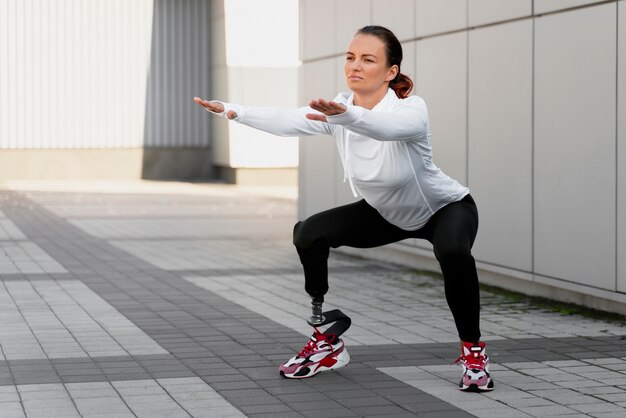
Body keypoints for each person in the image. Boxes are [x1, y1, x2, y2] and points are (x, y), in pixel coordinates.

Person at [194, 25, 494, 392]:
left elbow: (385, 128)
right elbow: (287, 120)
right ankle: (325, 337)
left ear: (390, 72)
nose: (355, 65)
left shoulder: (410, 109)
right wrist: (232, 110)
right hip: (385, 214)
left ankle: (473, 353)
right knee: (308, 233)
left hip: (445, 209)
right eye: (350, 57)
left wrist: (344, 116)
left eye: (368, 59)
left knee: (452, 251)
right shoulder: (340, 109)